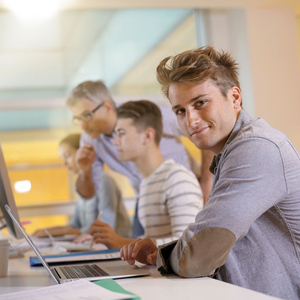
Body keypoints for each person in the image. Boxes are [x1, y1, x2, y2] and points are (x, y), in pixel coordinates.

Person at [120, 46, 300, 300]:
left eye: (200, 103)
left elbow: (199, 255)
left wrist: (165, 256)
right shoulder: (229, 153)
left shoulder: (258, 148)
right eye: (180, 111)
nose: (190, 120)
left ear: (235, 98)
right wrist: (158, 254)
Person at [66, 81, 212, 237]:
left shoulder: (142, 114)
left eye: (86, 116)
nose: (82, 125)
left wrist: (206, 182)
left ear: (107, 107)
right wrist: (84, 171)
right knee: (140, 251)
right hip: (147, 193)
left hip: (184, 187)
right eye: (77, 119)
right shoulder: (89, 139)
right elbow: (88, 194)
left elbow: (203, 133)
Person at [88, 100, 203, 249]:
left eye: (121, 133)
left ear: (148, 136)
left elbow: (188, 245)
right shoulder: (146, 184)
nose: (115, 142)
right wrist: (116, 242)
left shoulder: (177, 179)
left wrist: (120, 242)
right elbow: (153, 239)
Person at [33, 133, 131, 238]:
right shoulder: (83, 186)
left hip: (114, 249)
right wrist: (47, 231)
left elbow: (106, 227)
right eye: (62, 158)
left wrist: (62, 232)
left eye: (67, 156)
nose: (64, 163)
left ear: (83, 153)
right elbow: (75, 224)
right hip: (91, 244)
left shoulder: (104, 181)